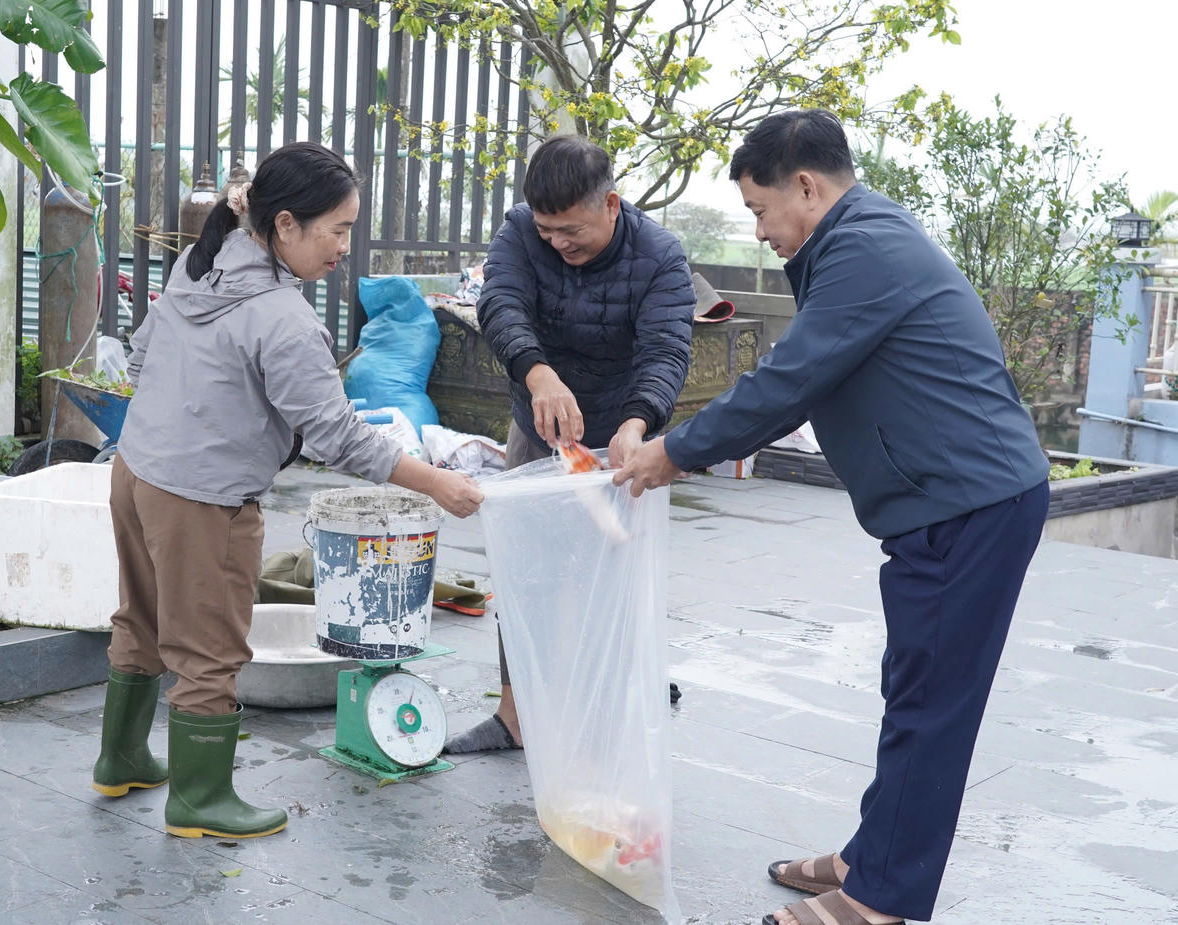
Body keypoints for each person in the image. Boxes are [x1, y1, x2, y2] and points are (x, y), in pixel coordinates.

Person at [613, 110, 1050, 925]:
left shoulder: (866, 247)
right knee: (912, 683)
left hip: (970, 502)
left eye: (758, 210)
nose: (758, 231)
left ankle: (881, 897)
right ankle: (870, 854)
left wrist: (674, 452)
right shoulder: (855, 238)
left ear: (806, 187)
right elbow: (803, 375)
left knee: (933, 702)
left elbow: (790, 380)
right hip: (944, 500)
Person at [90, 142, 483, 840]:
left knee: (141, 618)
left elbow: (142, 351)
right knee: (210, 650)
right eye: (336, 228)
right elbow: (339, 437)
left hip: (137, 471)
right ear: (284, 227)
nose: (343, 246)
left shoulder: (201, 262)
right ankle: (200, 799)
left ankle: (120, 758)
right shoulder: (283, 317)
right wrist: (436, 483)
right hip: (202, 497)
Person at [444, 134, 696, 753]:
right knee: (524, 570)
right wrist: (539, 374)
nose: (558, 242)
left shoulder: (661, 256)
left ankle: (618, 691)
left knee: (614, 571)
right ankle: (515, 715)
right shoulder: (519, 235)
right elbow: (500, 306)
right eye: (547, 229)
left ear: (611, 204)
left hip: (624, 433)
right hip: (540, 422)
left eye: (571, 229)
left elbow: (666, 351)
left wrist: (637, 424)